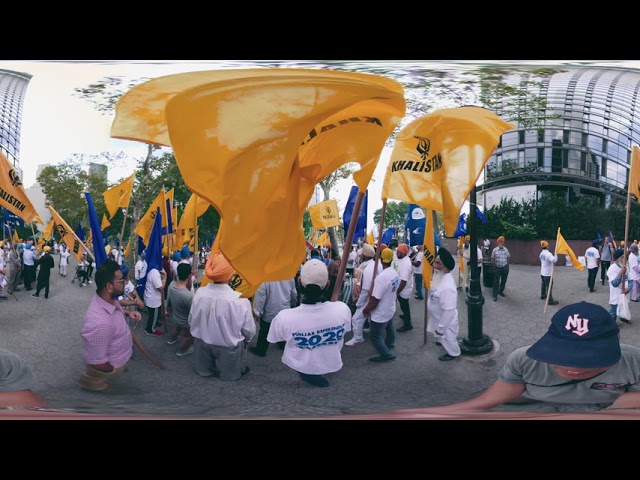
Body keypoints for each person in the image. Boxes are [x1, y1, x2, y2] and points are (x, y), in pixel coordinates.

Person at [419, 301, 640, 413]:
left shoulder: (635, 361)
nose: (574, 367)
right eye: (563, 353)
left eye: (589, 357)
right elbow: (498, 395)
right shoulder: (522, 359)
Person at [267, 259, 351, 387]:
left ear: (299, 282)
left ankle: (318, 380)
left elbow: (275, 338)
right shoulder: (342, 309)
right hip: (330, 358)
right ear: (327, 284)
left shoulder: (284, 317)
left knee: (308, 373)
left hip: (301, 363)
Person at [189, 251, 255, 381]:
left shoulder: (199, 293)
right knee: (230, 376)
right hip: (229, 347)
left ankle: (207, 371)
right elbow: (249, 330)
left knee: (204, 373)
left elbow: (191, 320)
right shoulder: (240, 301)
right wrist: (246, 341)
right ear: (231, 274)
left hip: (202, 343)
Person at [78, 259, 142, 392]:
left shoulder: (107, 299)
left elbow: (115, 310)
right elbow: (97, 362)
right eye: (121, 281)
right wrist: (113, 370)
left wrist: (127, 313)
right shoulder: (99, 323)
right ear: (109, 286)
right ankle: (93, 383)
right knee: (98, 383)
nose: (125, 283)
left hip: (119, 358)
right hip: (112, 366)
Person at [363, 248, 399, 363]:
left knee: (374, 336)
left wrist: (366, 309)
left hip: (381, 312)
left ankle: (386, 354)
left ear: (380, 259)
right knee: (389, 326)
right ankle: (390, 343)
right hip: (390, 307)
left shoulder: (381, 278)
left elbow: (374, 300)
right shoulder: (394, 272)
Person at [426, 247, 461, 361]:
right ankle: (442, 340)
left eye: (437, 263)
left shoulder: (447, 287)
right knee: (443, 338)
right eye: (435, 262)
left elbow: (449, 311)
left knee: (449, 339)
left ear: (445, 267)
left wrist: (441, 329)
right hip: (438, 318)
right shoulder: (440, 276)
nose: (434, 265)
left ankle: (454, 353)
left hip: (446, 322)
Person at [250, 277, 297, 357]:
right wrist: (293, 303)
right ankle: (282, 344)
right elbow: (293, 293)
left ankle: (261, 350)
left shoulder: (264, 278)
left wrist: (257, 312)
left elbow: (260, 299)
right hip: (285, 310)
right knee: (282, 329)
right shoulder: (289, 276)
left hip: (270, 311)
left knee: (265, 331)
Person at [346, 243, 381, 346]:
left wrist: (359, 303)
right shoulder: (375, 264)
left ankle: (358, 338)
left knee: (356, 318)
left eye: (361, 254)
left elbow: (365, 290)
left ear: (365, 256)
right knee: (370, 315)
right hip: (375, 295)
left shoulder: (369, 269)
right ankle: (370, 329)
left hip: (369, 297)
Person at [166, 263, 195, 357]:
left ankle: (171, 340)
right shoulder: (189, 296)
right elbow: (193, 312)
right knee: (188, 336)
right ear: (189, 276)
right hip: (186, 321)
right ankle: (182, 351)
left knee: (177, 328)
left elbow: (169, 300)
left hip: (176, 316)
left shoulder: (171, 285)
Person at [143, 258, 167, 337]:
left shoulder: (151, 269)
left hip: (150, 297)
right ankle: (150, 330)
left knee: (152, 315)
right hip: (153, 300)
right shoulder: (154, 272)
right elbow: (160, 288)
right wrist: (164, 278)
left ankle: (152, 326)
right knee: (153, 316)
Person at [607, 248, 631, 325]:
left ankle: (623, 318)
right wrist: (620, 273)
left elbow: (631, 280)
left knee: (624, 306)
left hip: (625, 292)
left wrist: (628, 289)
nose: (624, 259)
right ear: (617, 259)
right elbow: (614, 283)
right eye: (621, 257)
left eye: (625, 257)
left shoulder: (627, 266)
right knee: (614, 311)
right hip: (616, 294)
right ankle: (611, 323)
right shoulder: (612, 268)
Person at [395, 243, 414, 332]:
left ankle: (408, 324)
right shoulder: (404, 260)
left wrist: (397, 292)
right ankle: (405, 316)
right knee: (404, 306)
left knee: (405, 306)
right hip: (404, 288)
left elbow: (403, 281)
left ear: (403, 253)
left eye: (398, 252)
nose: (396, 253)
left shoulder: (405, 263)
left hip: (404, 289)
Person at [491, 235, 510, 302]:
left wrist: (507, 266)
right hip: (497, 268)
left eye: (503, 242)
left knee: (503, 281)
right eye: (501, 242)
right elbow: (492, 259)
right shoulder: (495, 250)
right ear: (498, 242)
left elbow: (508, 257)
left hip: (504, 268)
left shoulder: (506, 250)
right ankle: (494, 295)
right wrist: (494, 267)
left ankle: (500, 291)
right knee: (496, 282)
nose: (503, 243)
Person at [539, 240, 558, 305]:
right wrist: (556, 255)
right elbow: (554, 260)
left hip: (542, 272)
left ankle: (543, 295)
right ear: (547, 246)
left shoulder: (541, 253)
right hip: (548, 273)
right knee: (549, 287)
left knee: (543, 285)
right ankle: (550, 300)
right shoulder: (548, 254)